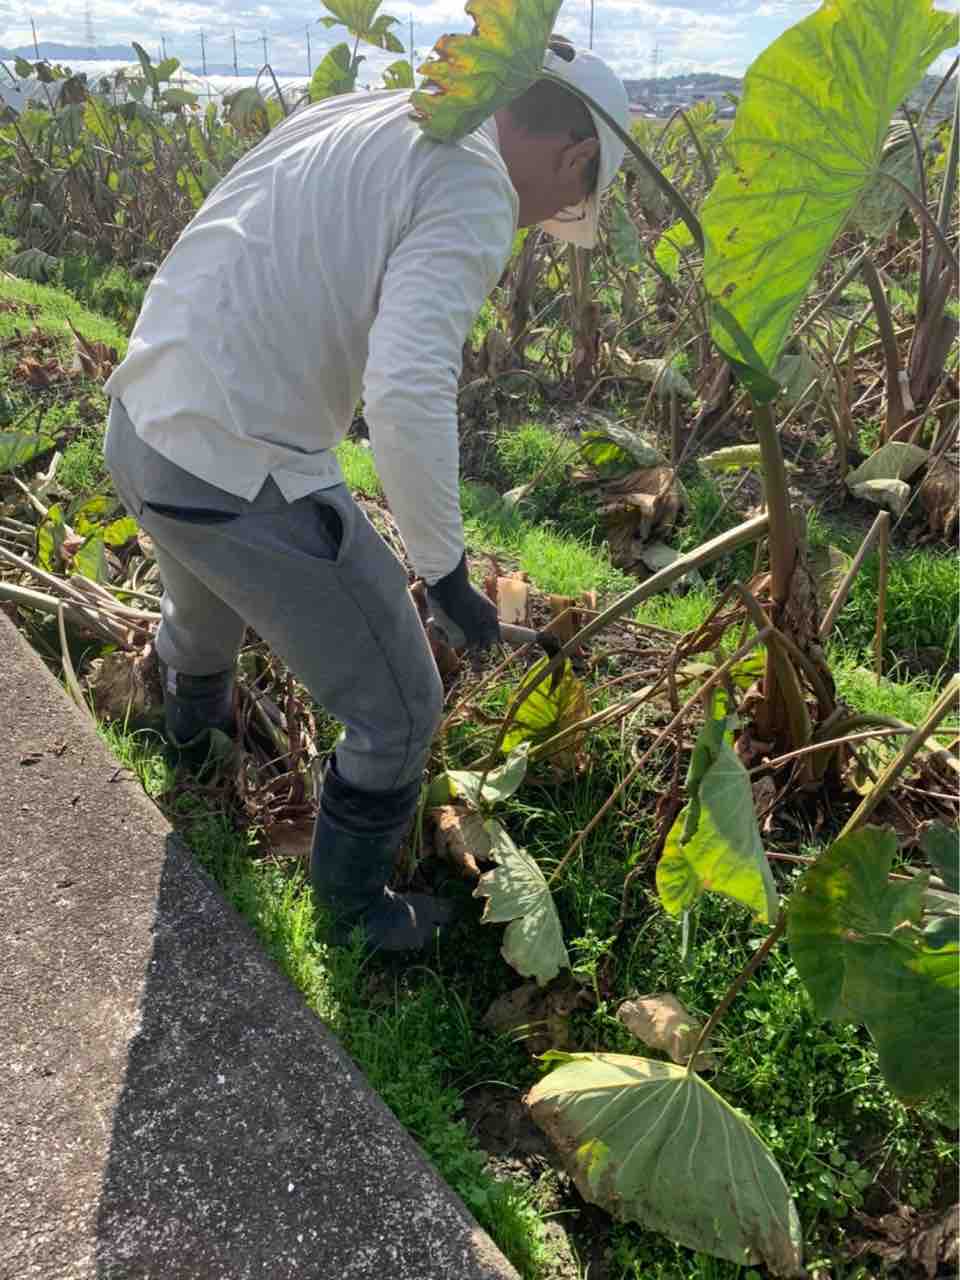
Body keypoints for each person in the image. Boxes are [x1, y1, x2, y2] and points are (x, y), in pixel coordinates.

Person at [103, 38, 630, 951]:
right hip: (233, 464)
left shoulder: (369, 112)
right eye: (570, 202)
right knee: (401, 707)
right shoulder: (474, 186)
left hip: (144, 424)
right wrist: (446, 572)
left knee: (206, 611)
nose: (545, 219)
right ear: (575, 158)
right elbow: (407, 387)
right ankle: (351, 918)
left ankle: (188, 753)